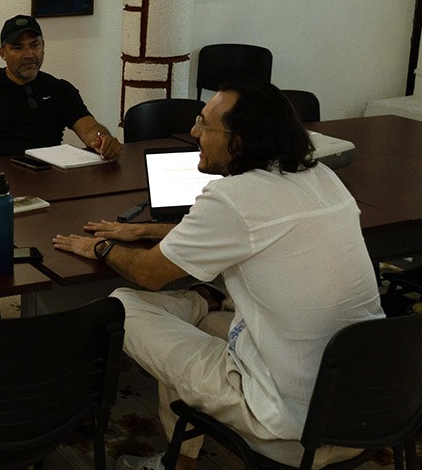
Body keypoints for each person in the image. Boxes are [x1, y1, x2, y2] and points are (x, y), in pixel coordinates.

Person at [52, 80, 383, 470]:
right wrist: (144, 230)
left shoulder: (233, 198)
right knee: (199, 331)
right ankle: (179, 458)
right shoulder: (322, 178)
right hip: (371, 407)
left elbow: (149, 273)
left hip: (293, 428)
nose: (194, 133)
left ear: (240, 142)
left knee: (122, 304)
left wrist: (102, 247)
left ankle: (195, 303)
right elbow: (241, 232)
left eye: (204, 126)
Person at [0, 15, 121, 161]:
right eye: (18, 47)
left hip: (49, 178)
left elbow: (89, 129)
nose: (29, 54)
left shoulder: (60, 89)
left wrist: (103, 139)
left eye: (34, 45)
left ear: (43, 46)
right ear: (2, 53)